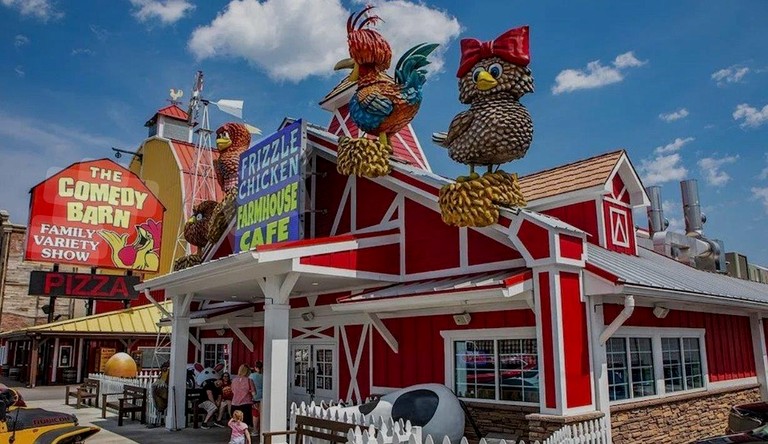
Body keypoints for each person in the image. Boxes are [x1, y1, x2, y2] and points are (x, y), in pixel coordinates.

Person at [231, 364, 256, 430]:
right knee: (245, 425)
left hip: (234, 404)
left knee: (236, 425)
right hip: (246, 404)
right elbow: (254, 393)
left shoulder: (234, 380)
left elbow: (233, 391)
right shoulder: (249, 380)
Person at [249, 361, 263, 436]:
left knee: (255, 414)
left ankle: (255, 430)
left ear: (255, 367)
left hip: (255, 396)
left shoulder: (251, 376)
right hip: (263, 396)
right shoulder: (264, 376)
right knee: (262, 413)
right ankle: (263, 428)